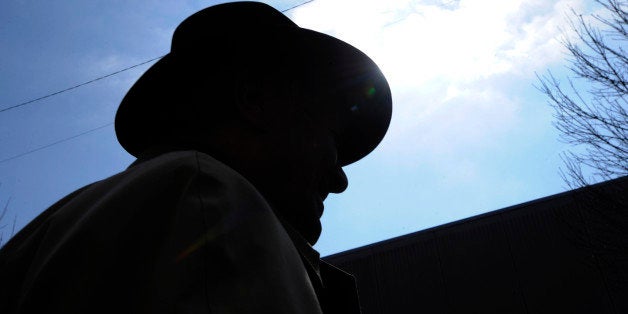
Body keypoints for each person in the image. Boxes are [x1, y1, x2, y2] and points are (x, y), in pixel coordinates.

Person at [0, 2, 392, 313]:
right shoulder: (207, 197)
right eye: (333, 140)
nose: (340, 180)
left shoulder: (48, 233)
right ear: (256, 102)